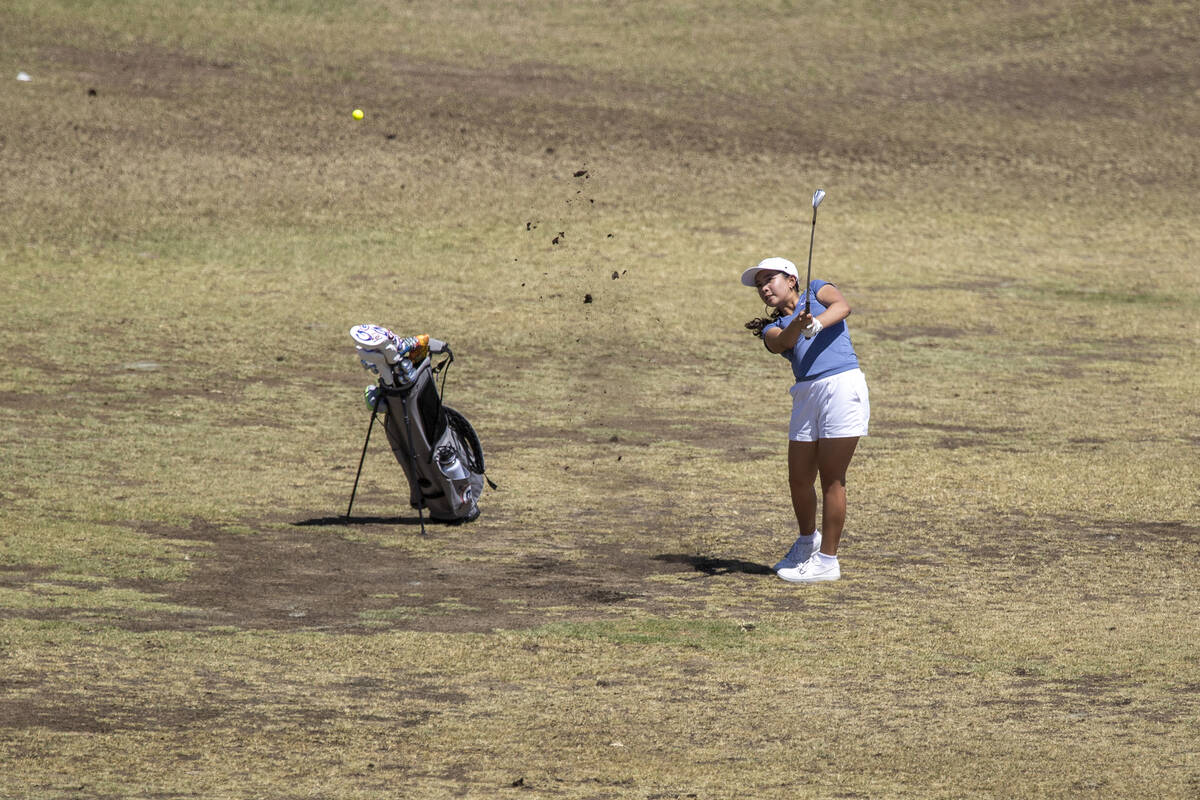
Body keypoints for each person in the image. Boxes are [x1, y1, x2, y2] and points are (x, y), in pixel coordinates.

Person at [742, 256, 870, 583]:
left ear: (792, 279)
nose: (764, 288)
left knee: (832, 477)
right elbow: (782, 342)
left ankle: (827, 561)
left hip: (841, 386)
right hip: (805, 395)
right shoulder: (772, 327)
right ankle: (806, 541)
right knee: (798, 478)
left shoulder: (816, 289)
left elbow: (842, 307)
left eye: (769, 279)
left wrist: (818, 322)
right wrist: (800, 322)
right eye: (759, 285)